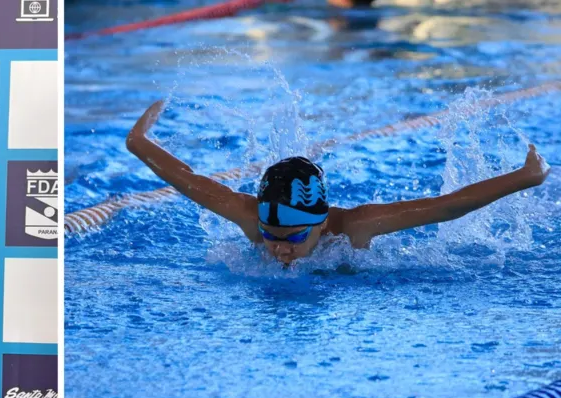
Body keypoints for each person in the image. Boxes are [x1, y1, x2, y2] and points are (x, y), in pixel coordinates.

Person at [125, 99, 552, 265]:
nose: (278, 248)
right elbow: (186, 180)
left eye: (293, 237)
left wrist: (525, 176)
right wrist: (138, 141)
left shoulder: (354, 228)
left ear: (321, 219)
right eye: (272, 235)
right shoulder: (251, 218)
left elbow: (447, 207)